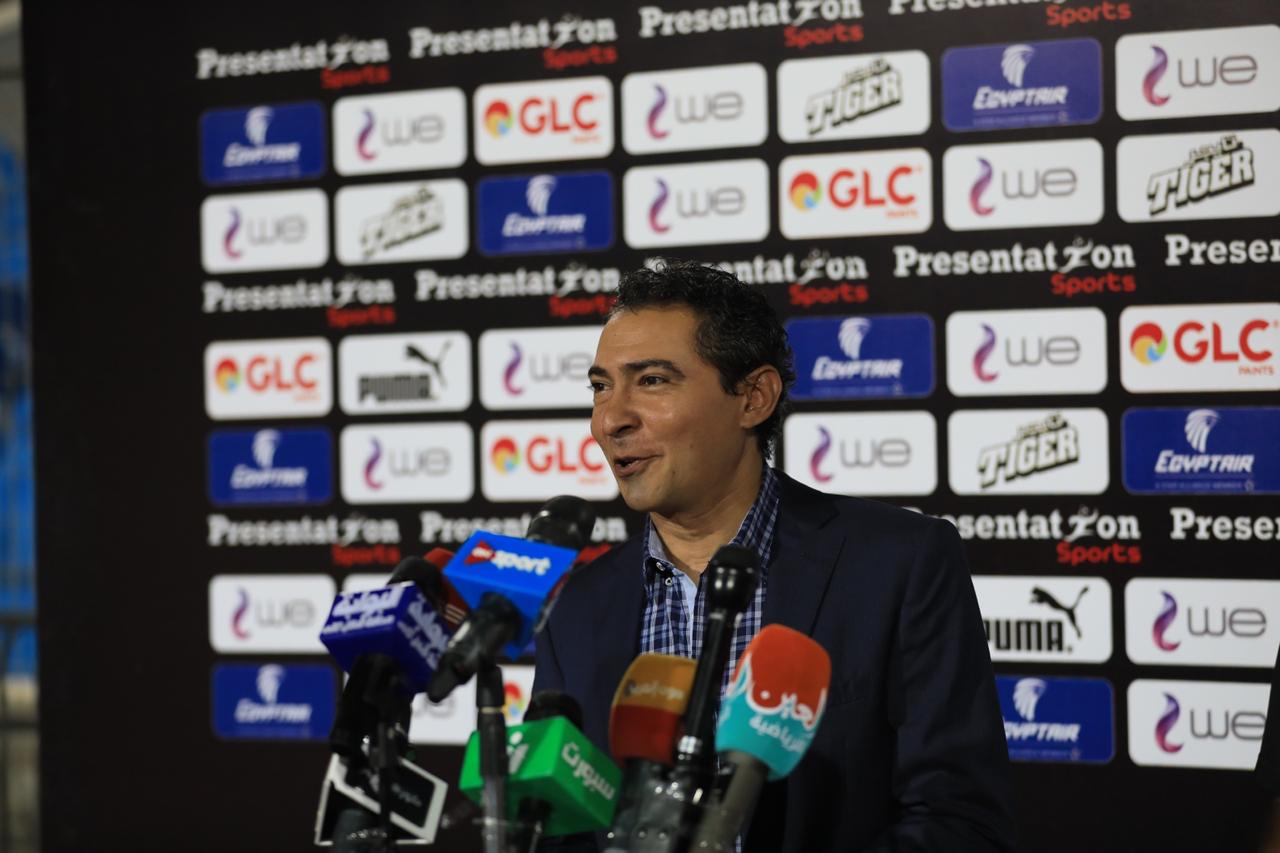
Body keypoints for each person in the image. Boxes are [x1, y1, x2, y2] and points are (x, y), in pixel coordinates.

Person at [533, 260, 1015, 851]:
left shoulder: (899, 563)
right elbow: (557, 830)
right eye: (601, 386)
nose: (611, 419)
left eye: (652, 380)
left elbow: (961, 820)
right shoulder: (575, 607)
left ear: (753, 398)